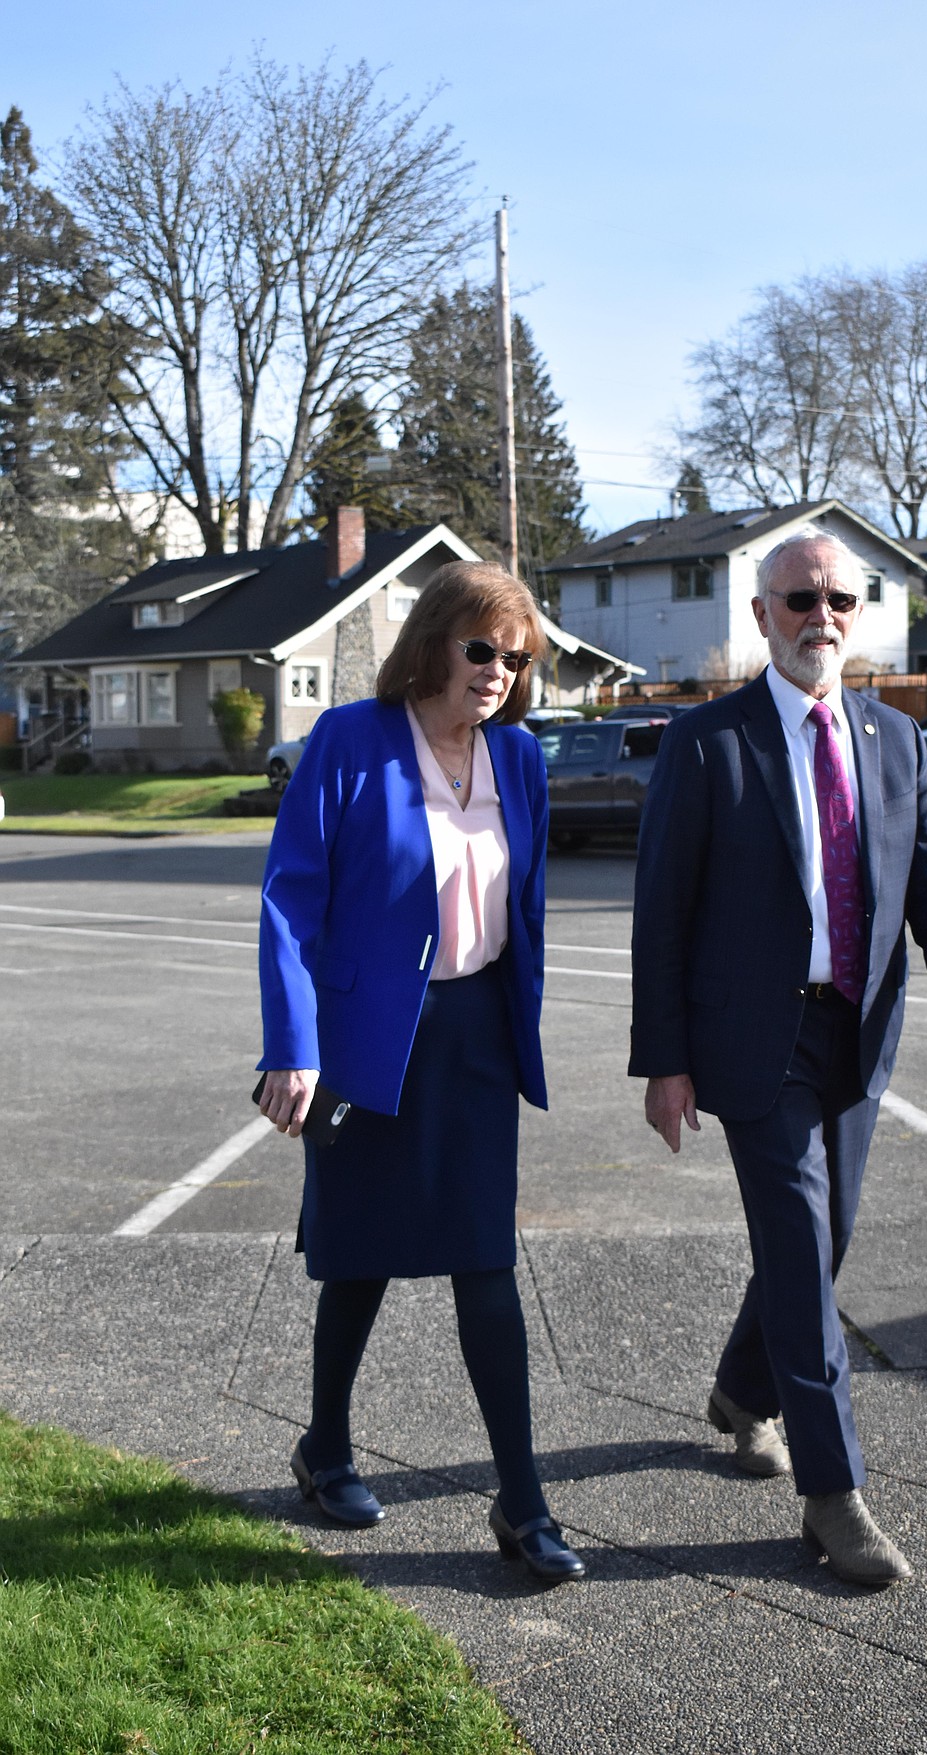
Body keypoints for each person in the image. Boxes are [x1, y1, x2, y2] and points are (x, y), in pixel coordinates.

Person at [629, 529, 927, 1587]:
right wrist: (664, 1061)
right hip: (755, 1040)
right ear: (762, 616)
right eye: (799, 599)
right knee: (798, 1245)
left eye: (839, 597)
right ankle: (832, 1496)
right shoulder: (708, 745)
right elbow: (661, 918)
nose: (820, 617)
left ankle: (741, 1393)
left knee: (823, 1239)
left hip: (858, 1033)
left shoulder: (896, 739)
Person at [256, 560, 584, 1584]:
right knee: (359, 1259)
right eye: (479, 648)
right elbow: (290, 900)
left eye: (514, 657)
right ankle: (325, 1448)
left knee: (486, 1265)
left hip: (476, 1037)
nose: (496, 670)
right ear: (437, 641)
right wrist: (293, 1044)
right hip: (364, 1037)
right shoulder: (350, 740)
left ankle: (523, 1501)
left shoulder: (520, 758)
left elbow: (523, 910)